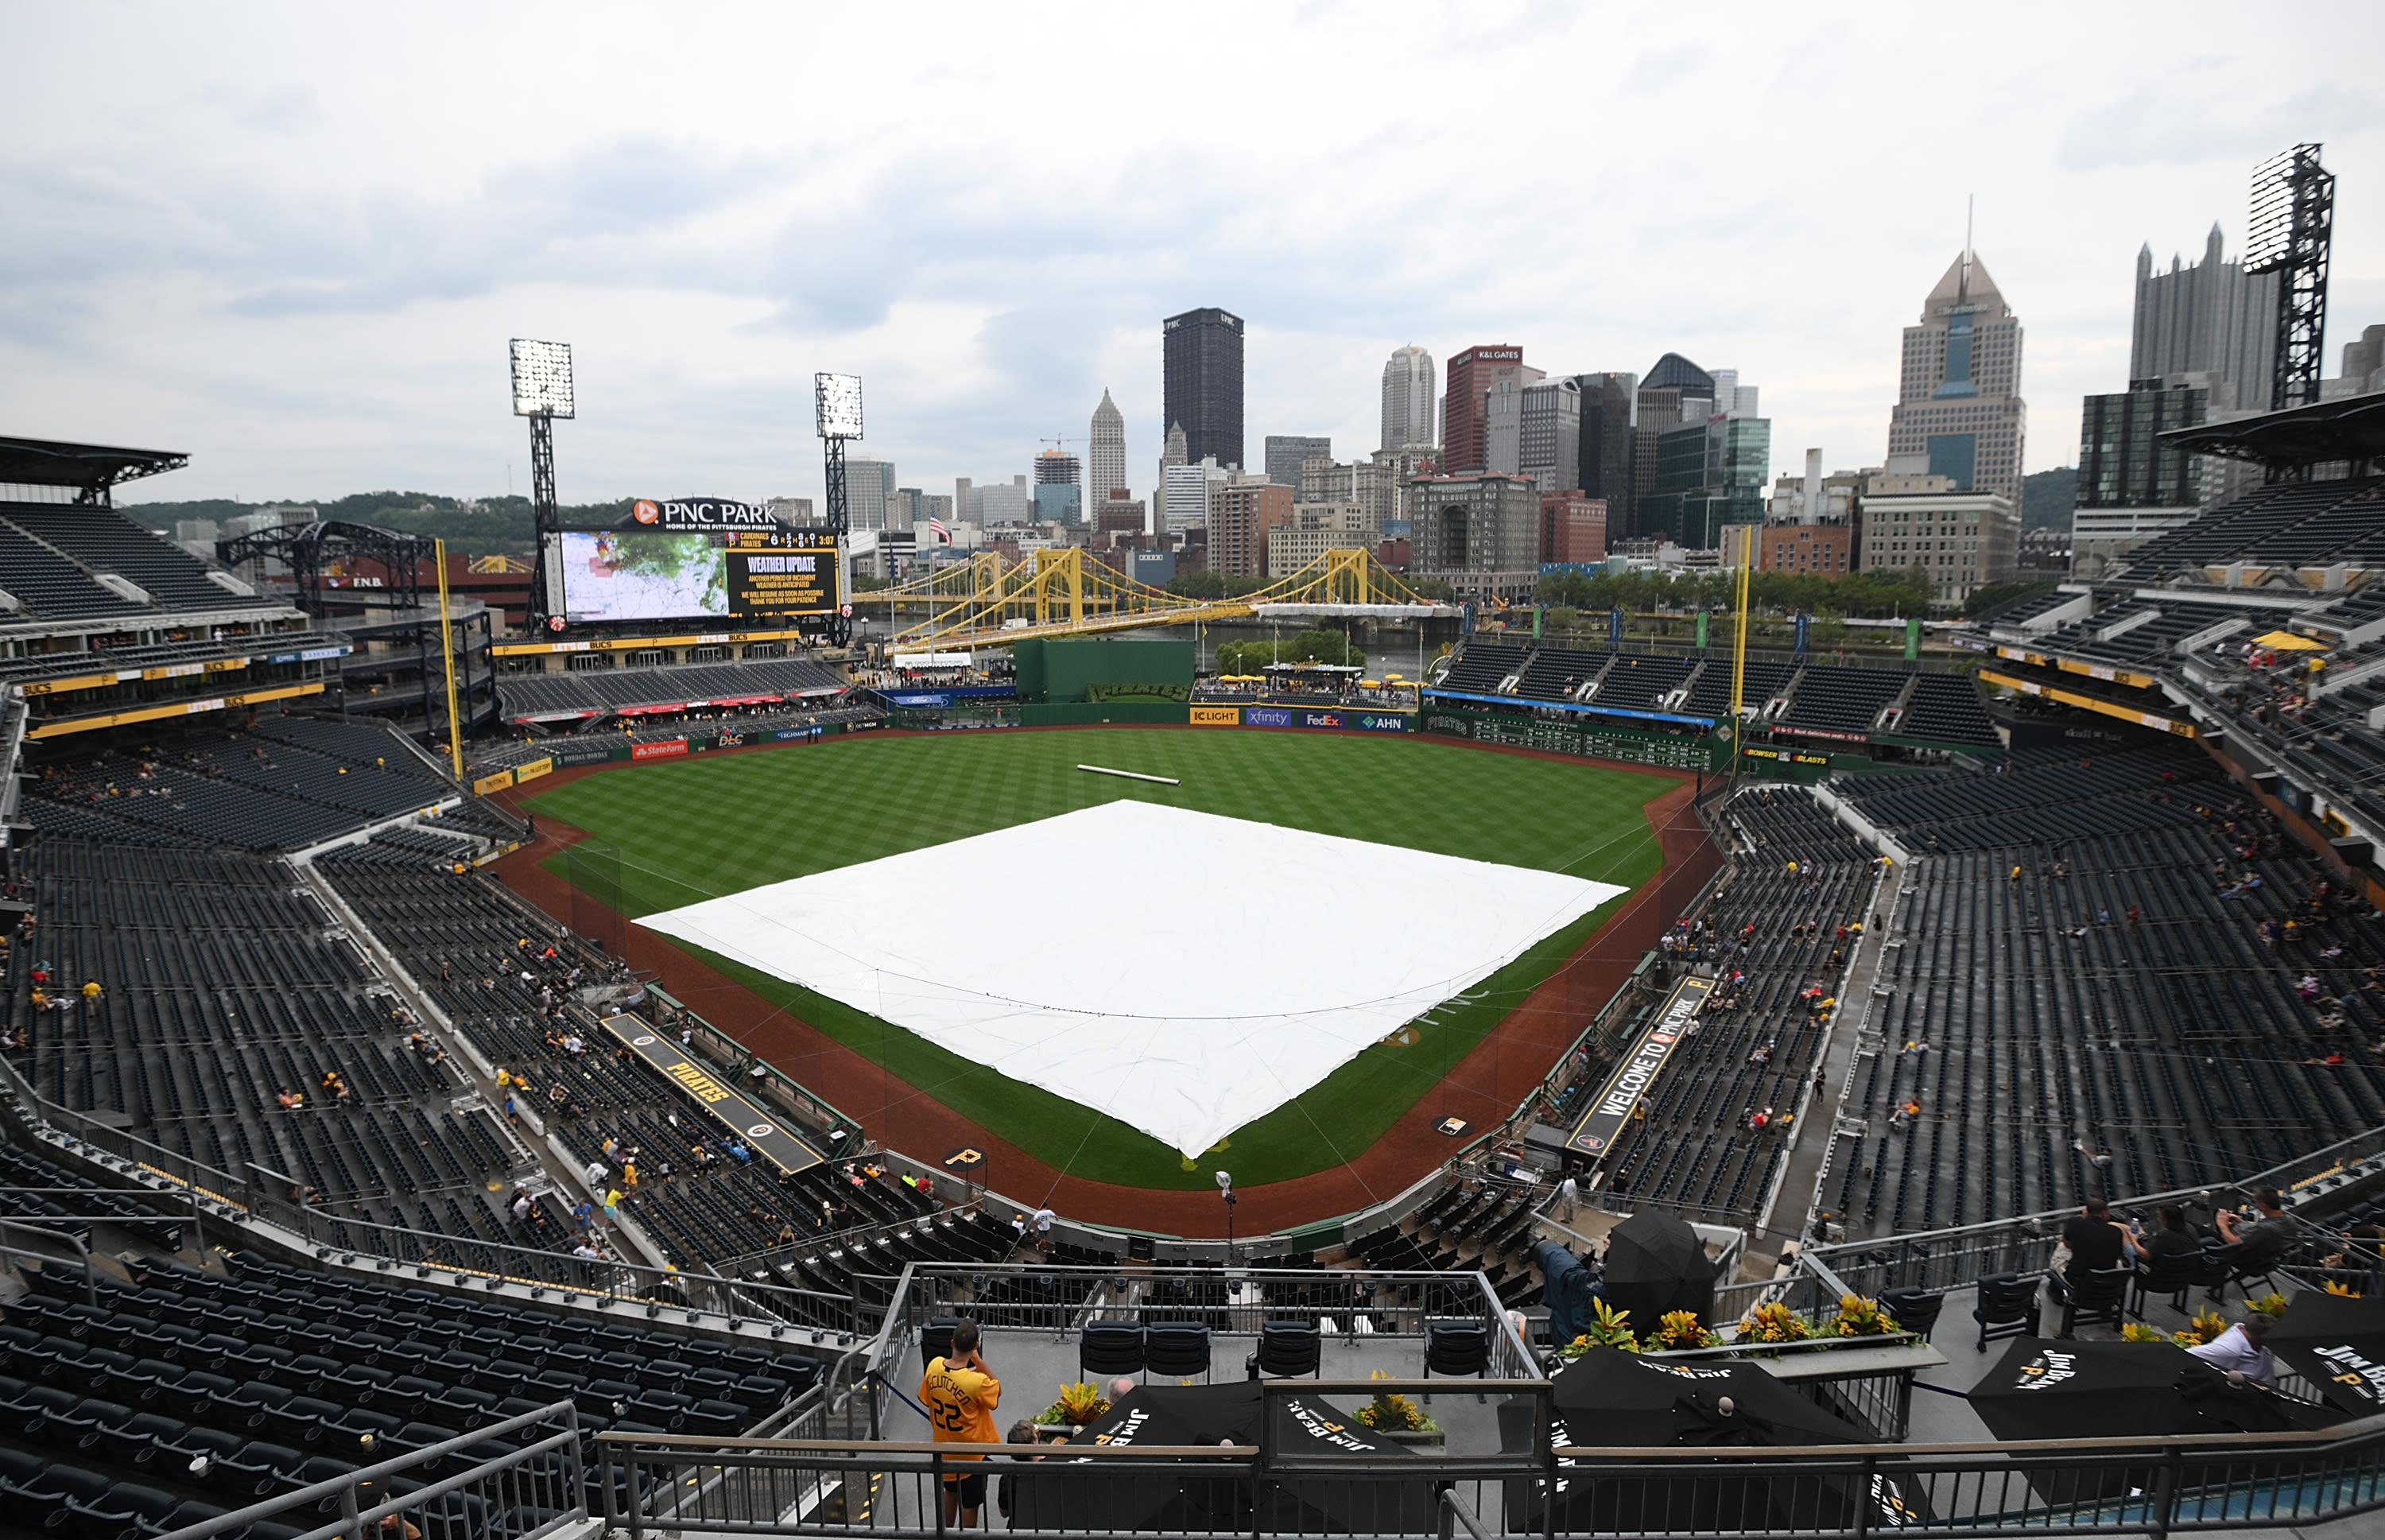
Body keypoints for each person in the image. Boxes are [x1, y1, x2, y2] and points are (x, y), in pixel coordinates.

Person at [920, 1318, 1001, 1530]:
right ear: (976, 1346)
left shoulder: (934, 1366)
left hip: (944, 1447)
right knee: (970, 1506)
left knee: (951, 1492)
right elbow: (996, 1389)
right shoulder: (976, 1383)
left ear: (951, 1343)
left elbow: (941, 1388)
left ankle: (945, 1533)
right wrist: (979, 1361)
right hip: (971, 1453)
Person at [2185, 1311, 2278, 1387]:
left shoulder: (2252, 1334)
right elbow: (2185, 1355)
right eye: (2276, 1334)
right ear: (2263, 1336)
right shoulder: (2229, 1349)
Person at [2058, 1196, 2131, 1289]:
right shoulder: (2116, 1231)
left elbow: (2067, 1244)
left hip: (2077, 1279)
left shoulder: (2074, 1222)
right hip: (2106, 1280)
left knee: (2061, 1246)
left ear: (2086, 1211)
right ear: (2104, 1213)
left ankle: (2055, 1288)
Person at [2215, 1186, 2295, 1263]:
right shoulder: (2289, 1219)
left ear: (2263, 1206)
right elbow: (2257, 1233)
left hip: (2249, 1258)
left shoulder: (2265, 1228)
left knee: (2207, 1234)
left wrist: (2222, 1224)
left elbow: (2235, 1244)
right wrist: (2240, 1221)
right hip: (2268, 1257)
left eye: (2254, 1201)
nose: (2254, 1204)